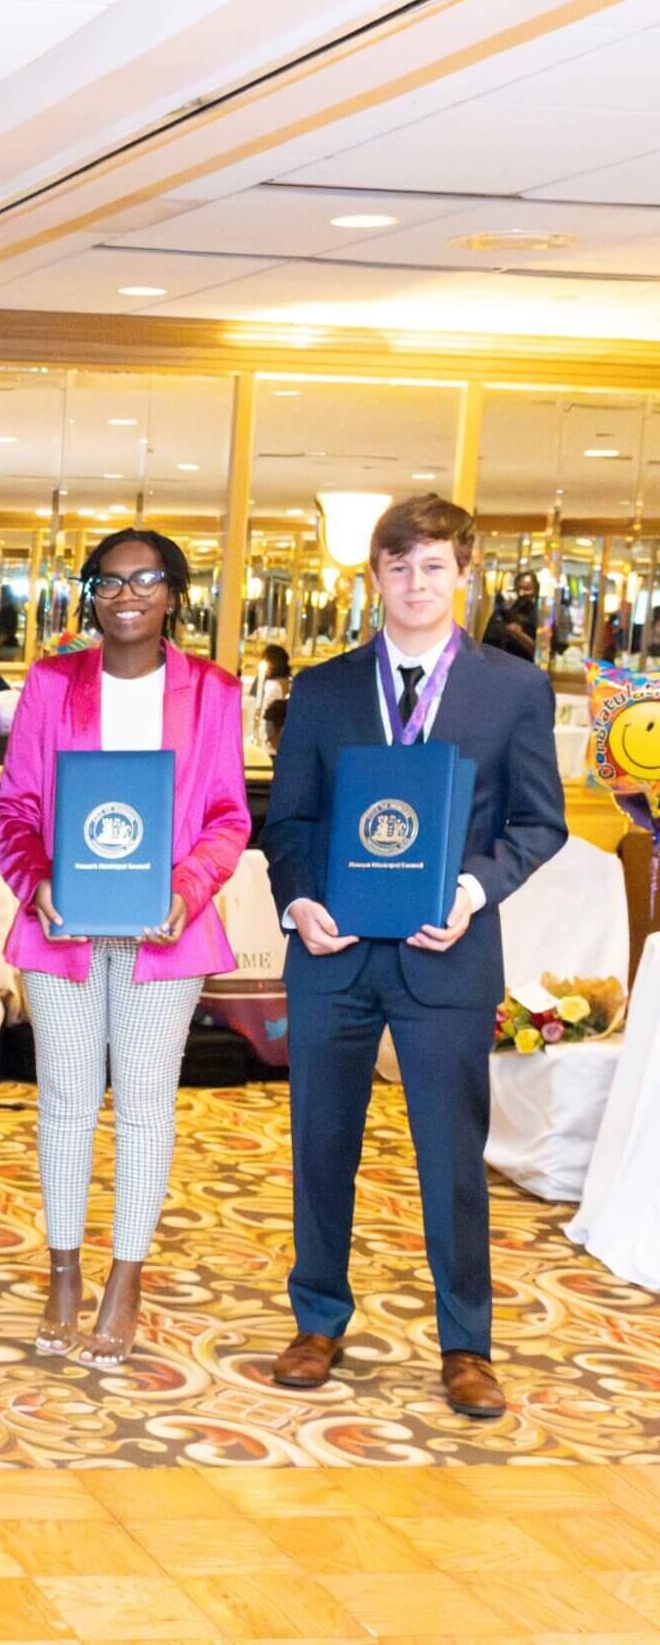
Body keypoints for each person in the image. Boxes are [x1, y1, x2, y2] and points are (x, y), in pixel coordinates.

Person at [263, 493, 565, 1421]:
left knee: (451, 1157)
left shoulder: (512, 690)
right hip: (334, 954)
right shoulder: (321, 689)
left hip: (447, 956)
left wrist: (471, 893)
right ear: (375, 578)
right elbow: (291, 824)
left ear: (463, 576)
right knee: (321, 1143)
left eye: (435, 566)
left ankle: (466, 1344)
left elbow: (535, 822)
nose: (417, 583)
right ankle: (318, 1319)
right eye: (399, 567)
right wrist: (302, 902)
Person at [0, 528, 250, 1368]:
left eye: (146, 579)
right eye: (110, 580)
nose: (128, 593)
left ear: (174, 591)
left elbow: (226, 818)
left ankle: (125, 1276)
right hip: (61, 930)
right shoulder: (50, 682)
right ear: (91, 594)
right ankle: (63, 1270)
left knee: (143, 1105)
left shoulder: (212, 690)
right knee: (65, 1101)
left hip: (162, 936)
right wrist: (36, 881)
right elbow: (18, 809)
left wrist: (186, 890)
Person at [481, 569, 541, 662]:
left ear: (536, 589)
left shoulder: (539, 615)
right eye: (518, 588)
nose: (521, 593)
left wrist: (520, 635)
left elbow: (539, 652)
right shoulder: (507, 610)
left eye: (526, 589)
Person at [246, 643, 290, 751]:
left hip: (268, 743)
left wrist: (262, 741)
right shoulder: (284, 681)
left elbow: (266, 718)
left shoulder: (273, 686)